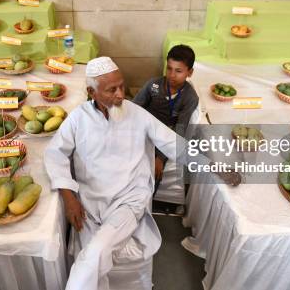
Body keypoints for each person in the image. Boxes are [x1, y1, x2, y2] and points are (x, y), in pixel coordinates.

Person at [44, 56, 188, 290]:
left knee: (95, 254)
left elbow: (174, 143)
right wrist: (68, 196)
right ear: (92, 92)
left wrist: (213, 166)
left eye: (122, 85)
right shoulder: (78, 119)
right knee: (94, 258)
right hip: (91, 201)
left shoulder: (136, 114)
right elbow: (54, 154)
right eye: (112, 90)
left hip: (129, 201)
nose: (121, 94)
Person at [133, 44, 199, 201]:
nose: (171, 75)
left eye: (178, 71)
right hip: (142, 129)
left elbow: (179, 131)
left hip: (164, 137)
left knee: (153, 173)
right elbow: (134, 108)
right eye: (169, 68)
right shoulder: (153, 85)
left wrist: (161, 158)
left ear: (190, 72)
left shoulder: (190, 97)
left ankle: (143, 206)